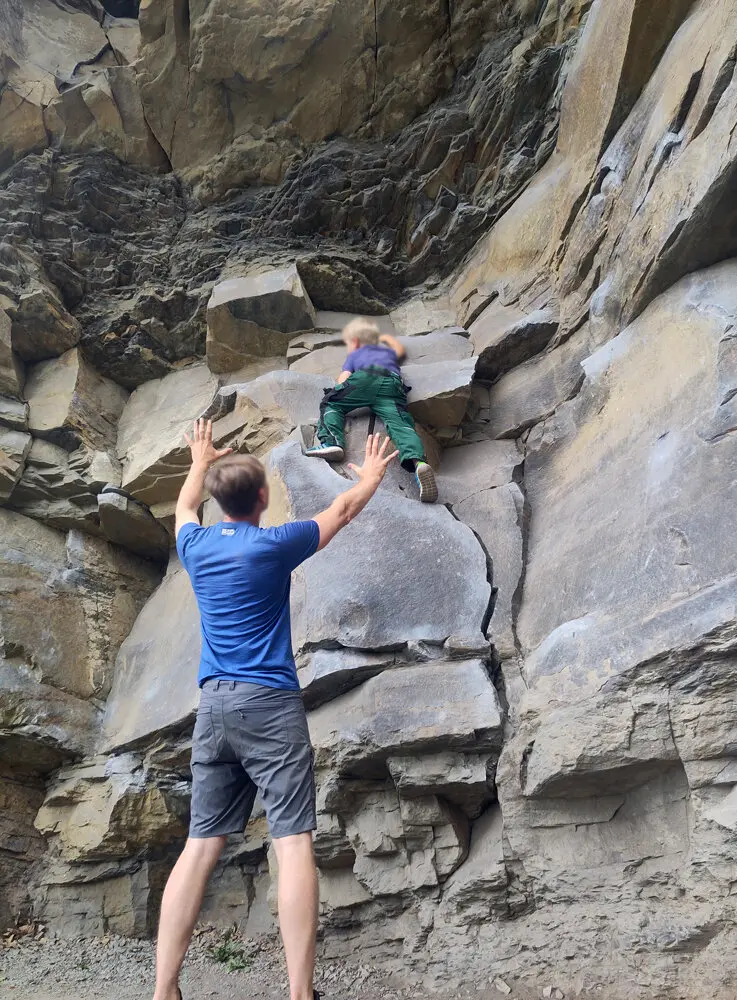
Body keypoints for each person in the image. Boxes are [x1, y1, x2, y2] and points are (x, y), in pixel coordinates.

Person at [152, 419, 399, 1000]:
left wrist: (198, 459)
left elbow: (184, 507)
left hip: (213, 707)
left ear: (219, 501)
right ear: (263, 498)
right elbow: (339, 512)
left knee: (200, 845)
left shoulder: (196, 544)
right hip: (269, 704)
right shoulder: (273, 544)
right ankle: (298, 993)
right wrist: (369, 476)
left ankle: (164, 989)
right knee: (291, 843)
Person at [305, 318, 438, 503]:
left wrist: (340, 390)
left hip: (366, 377)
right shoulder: (387, 352)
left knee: (331, 402)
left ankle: (331, 442)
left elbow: (343, 380)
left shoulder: (355, 355)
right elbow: (400, 350)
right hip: (392, 384)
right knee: (400, 424)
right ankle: (419, 463)